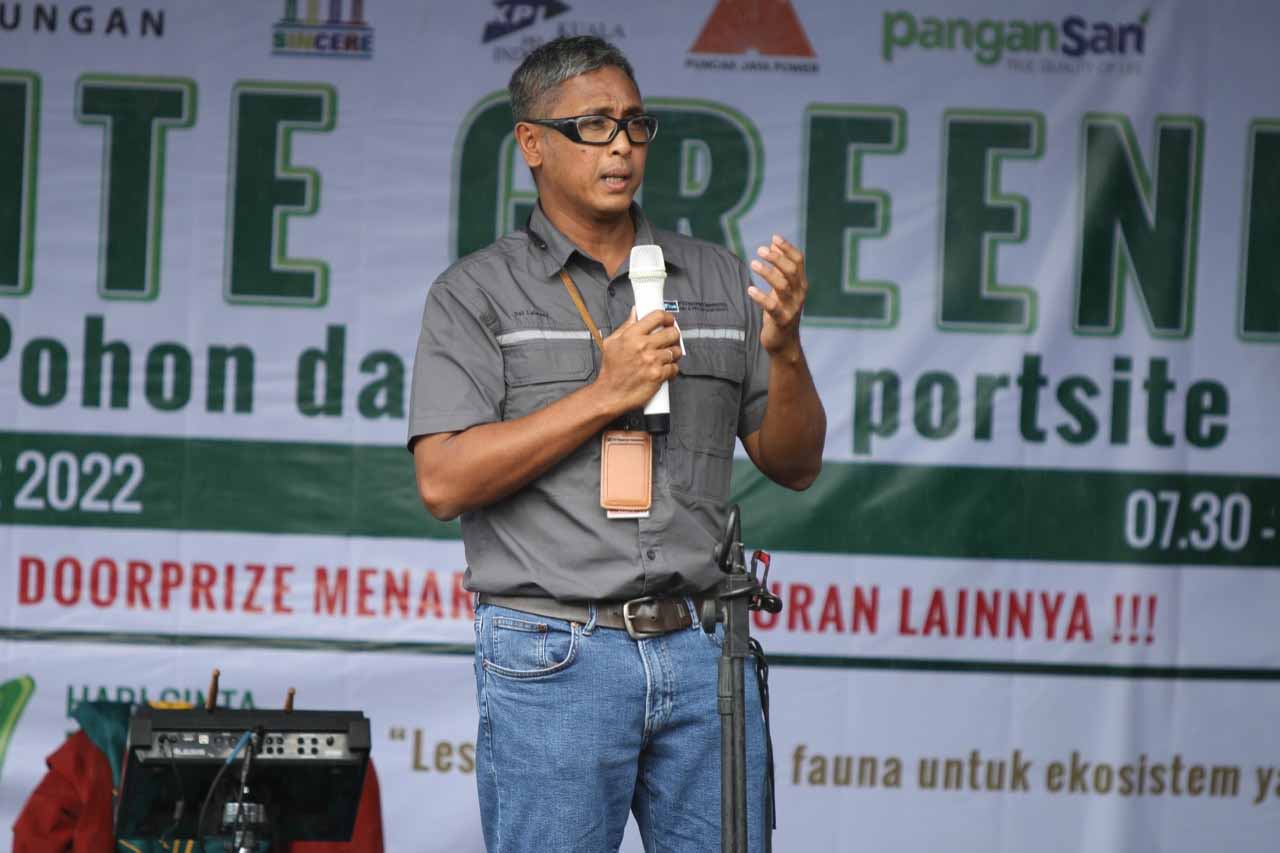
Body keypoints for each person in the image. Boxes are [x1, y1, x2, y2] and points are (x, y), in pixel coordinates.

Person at [407, 35, 825, 853]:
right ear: (532, 143)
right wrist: (604, 394)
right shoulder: (475, 294)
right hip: (555, 649)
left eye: (636, 124)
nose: (622, 146)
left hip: (705, 649)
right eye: (593, 125)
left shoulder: (716, 279)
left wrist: (785, 352)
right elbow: (443, 481)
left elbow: (796, 462)